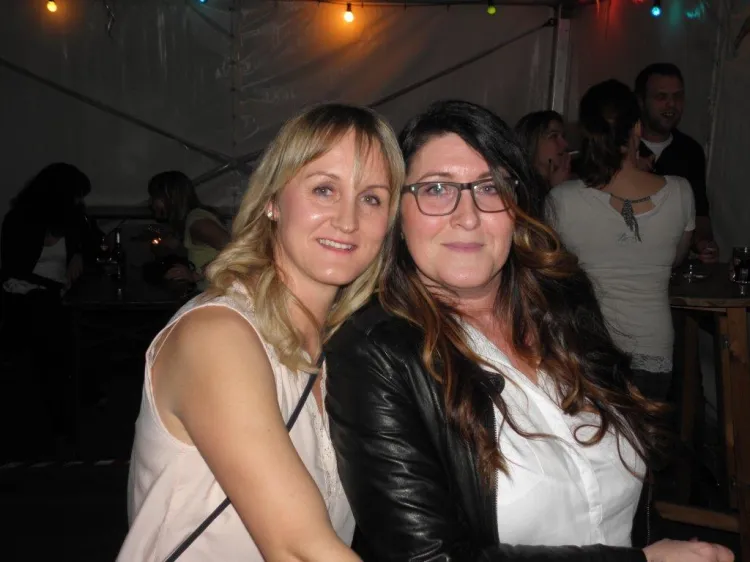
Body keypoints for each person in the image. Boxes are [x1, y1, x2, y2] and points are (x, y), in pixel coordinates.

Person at [324, 100, 732, 562]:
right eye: (437, 188)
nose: (468, 216)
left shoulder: (565, 305)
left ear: (516, 206)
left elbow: (629, 497)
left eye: (490, 187)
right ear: (398, 215)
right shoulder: (374, 354)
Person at [117, 103, 404, 561]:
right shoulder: (216, 336)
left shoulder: (348, 348)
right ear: (272, 200)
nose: (348, 220)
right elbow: (298, 549)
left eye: (371, 198)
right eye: (324, 189)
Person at [549, 80, 695, 401]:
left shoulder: (562, 199)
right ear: (637, 128)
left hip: (588, 352)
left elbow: (550, 272)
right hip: (653, 350)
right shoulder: (681, 192)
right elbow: (676, 258)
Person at [0, 162, 98, 453]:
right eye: (76, 195)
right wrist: (55, 288)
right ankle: (59, 419)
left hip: (57, 296)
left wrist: (78, 254)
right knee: (47, 325)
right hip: (25, 293)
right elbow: (14, 268)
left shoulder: (73, 220)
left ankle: (72, 402)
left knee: (61, 329)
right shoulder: (19, 221)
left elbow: (93, 243)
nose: (80, 201)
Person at [634, 63, 719, 263]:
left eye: (678, 96)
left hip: (674, 266)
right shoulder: (621, 147)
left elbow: (699, 213)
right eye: (661, 97)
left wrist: (704, 243)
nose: (671, 104)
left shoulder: (690, 151)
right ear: (641, 101)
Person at [147, 170, 230, 285]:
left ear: (170, 198)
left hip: (220, 291)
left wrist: (196, 275)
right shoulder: (190, 220)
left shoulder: (197, 222)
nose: (151, 202)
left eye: (155, 197)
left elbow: (236, 250)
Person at [515, 110, 571, 189]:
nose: (565, 144)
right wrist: (558, 189)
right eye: (554, 136)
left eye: (563, 137)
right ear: (532, 142)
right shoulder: (516, 188)